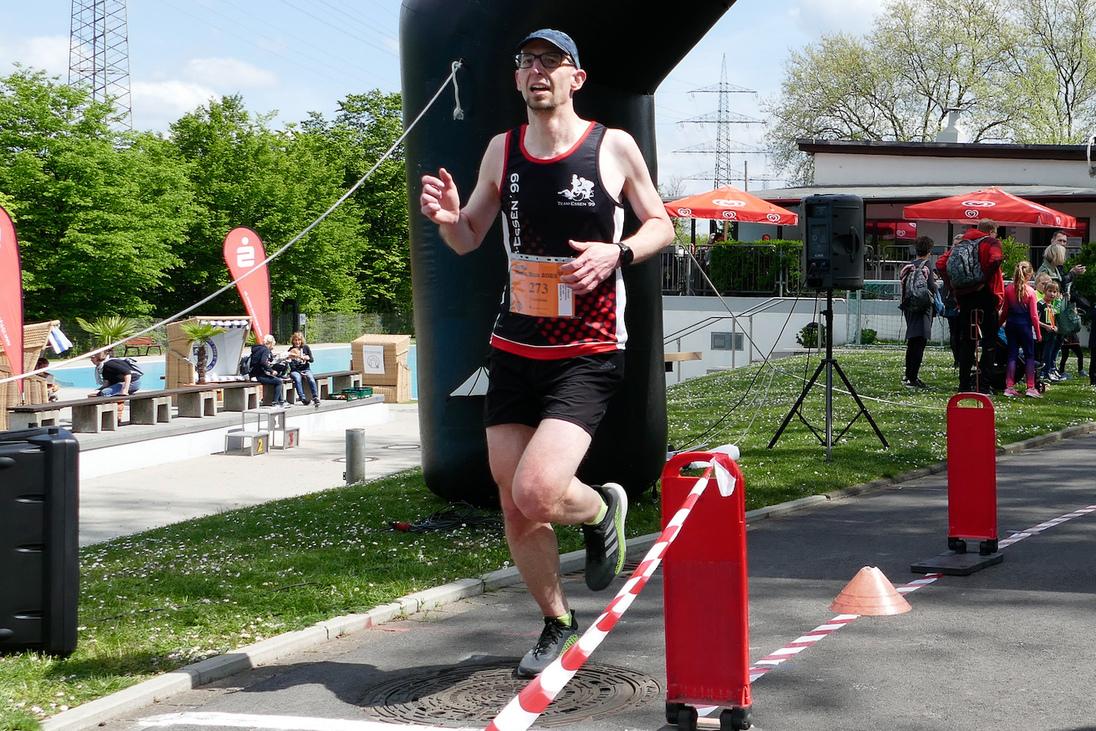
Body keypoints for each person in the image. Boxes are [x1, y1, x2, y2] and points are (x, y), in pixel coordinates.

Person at [419, 28, 674, 678]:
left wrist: (618, 253)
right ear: (517, 80)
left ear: (575, 78)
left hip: (587, 351)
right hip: (514, 347)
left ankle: (600, 507)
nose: (537, 71)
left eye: (550, 62)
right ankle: (557, 620)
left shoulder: (611, 147)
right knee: (511, 498)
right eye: (527, 62)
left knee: (536, 491)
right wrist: (450, 220)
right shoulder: (500, 151)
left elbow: (662, 224)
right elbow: (470, 235)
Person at [935, 220, 1004, 393]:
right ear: (991, 231)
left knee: (967, 341)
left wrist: (953, 286)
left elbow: (941, 263)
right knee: (989, 341)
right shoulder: (991, 242)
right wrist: (983, 278)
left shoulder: (963, 243)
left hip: (964, 297)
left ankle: (964, 385)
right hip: (986, 294)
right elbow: (995, 259)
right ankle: (985, 385)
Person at [898, 236, 938, 389]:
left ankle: (909, 375)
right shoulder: (926, 265)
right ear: (929, 250)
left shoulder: (908, 266)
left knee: (912, 342)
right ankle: (913, 377)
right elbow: (931, 287)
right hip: (922, 308)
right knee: (919, 343)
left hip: (909, 307)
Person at [1002, 261, 1042, 398]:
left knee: (1012, 355)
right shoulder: (1031, 292)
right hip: (1025, 326)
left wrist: (998, 324)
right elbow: (1034, 316)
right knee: (1030, 356)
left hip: (1011, 325)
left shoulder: (1008, 289)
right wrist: (1038, 332)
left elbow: (1005, 311)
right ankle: (1030, 387)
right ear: (1029, 275)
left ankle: (1009, 386)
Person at [249, 334, 287, 407]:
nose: (273, 347)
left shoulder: (258, 349)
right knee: (279, 382)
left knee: (277, 379)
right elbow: (263, 362)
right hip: (259, 375)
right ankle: (275, 402)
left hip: (253, 374)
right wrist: (271, 371)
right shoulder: (265, 350)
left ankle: (281, 401)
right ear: (270, 343)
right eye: (273, 345)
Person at [1038, 280, 1064, 383]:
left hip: (1052, 334)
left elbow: (1056, 318)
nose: (1052, 294)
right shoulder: (1040, 304)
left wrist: (1056, 327)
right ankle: (1041, 372)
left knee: (1049, 353)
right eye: (1050, 291)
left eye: (1055, 291)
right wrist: (1045, 326)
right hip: (1042, 333)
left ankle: (1048, 371)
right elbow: (1035, 319)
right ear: (1045, 291)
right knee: (1041, 354)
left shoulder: (1055, 305)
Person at [286, 331, 320, 407]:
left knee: (311, 378)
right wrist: (300, 372)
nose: (297, 342)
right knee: (297, 379)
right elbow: (291, 365)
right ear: (293, 341)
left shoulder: (306, 348)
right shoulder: (291, 350)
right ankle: (302, 398)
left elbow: (312, 360)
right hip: (295, 370)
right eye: (296, 340)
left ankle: (315, 397)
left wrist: (307, 358)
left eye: (299, 340)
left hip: (306, 369)